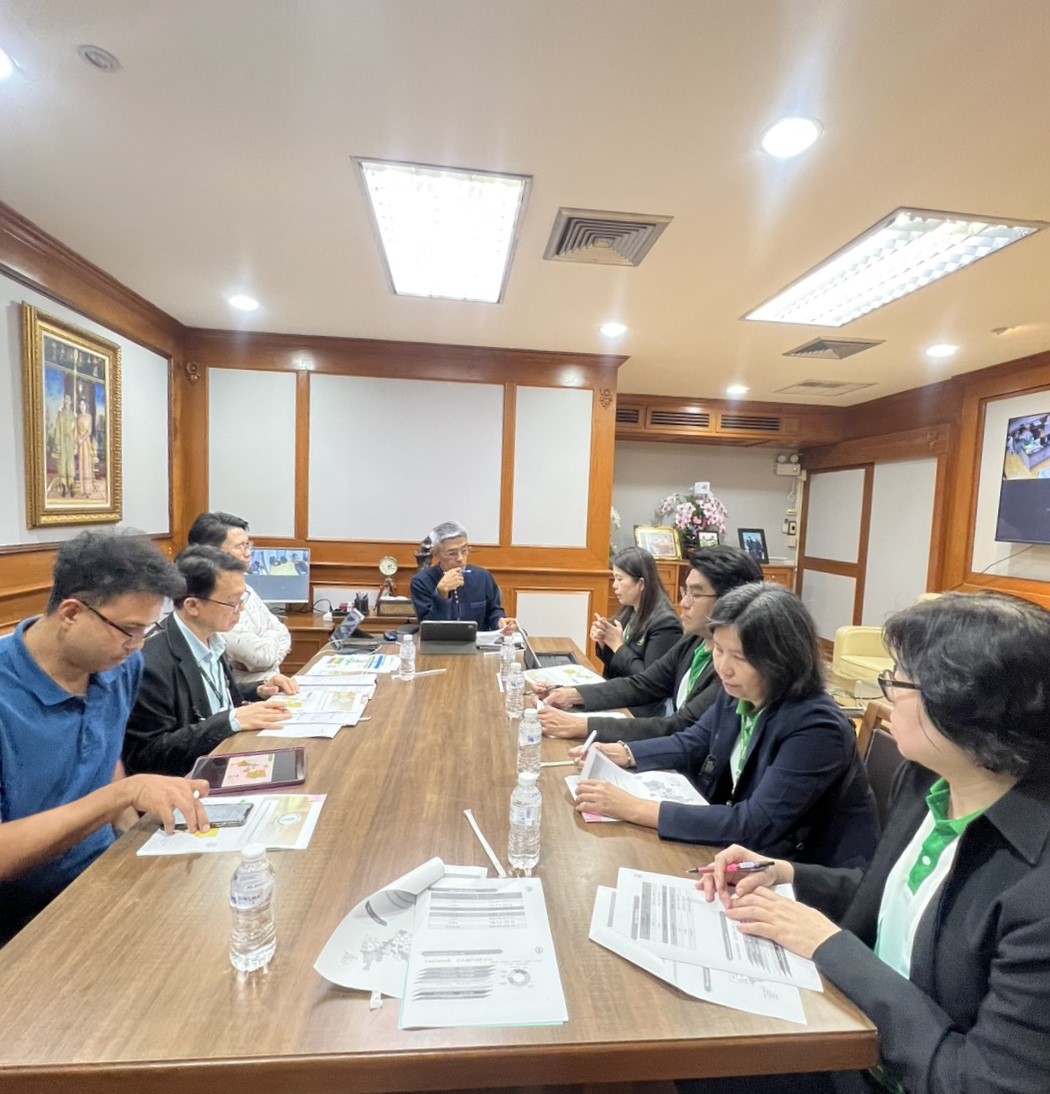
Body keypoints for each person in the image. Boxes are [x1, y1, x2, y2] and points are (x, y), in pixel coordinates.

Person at [697, 592, 1050, 1094]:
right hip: (848, 1029)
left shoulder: (1036, 881)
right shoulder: (927, 781)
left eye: (900, 680)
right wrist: (784, 873)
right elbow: (894, 900)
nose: (886, 696)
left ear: (967, 707)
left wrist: (830, 947)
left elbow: (979, 1082)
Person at [0, 533, 211, 948]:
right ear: (71, 613)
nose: (137, 647)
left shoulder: (118, 667)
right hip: (22, 920)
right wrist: (123, 795)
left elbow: (102, 753)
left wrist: (135, 837)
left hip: (103, 876)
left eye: (145, 631)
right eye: (128, 631)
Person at [573, 583, 878, 867]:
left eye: (739, 657)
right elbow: (692, 741)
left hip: (805, 873)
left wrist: (634, 808)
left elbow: (755, 823)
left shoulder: (816, 727)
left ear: (783, 658)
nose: (724, 667)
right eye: (719, 650)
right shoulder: (742, 690)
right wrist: (624, 752)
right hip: (747, 853)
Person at [537, 547, 762, 742]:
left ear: (731, 600)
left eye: (695, 594)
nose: (683, 603)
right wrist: (572, 694)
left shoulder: (735, 665)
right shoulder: (693, 641)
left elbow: (680, 725)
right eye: (685, 592)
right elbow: (644, 683)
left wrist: (584, 726)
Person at [123, 546, 296, 778]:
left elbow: (215, 698)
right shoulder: (151, 663)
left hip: (228, 756)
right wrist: (230, 721)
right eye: (232, 603)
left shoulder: (212, 638)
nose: (241, 609)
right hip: (191, 779)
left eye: (242, 599)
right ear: (192, 605)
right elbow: (147, 755)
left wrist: (259, 690)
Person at [187, 511, 292, 691]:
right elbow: (263, 657)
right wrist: (272, 639)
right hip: (243, 694)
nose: (248, 553)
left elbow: (282, 633)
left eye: (248, 545)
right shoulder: (210, 601)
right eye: (240, 547)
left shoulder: (246, 589)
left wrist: (270, 644)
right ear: (212, 553)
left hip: (268, 687)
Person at [590, 547, 682, 715]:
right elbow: (617, 665)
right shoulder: (630, 609)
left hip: (644, 709)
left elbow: (650, 680)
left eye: (619, 579)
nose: (614, 586)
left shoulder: (666, 623)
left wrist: (617, 645)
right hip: (622, 694)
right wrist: (604, 642)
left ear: (641, 583)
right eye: (614, 578)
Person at [410, 520, 516, 631]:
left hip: (478, 640)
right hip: (441, 641)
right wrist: (441, 594)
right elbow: (429, 629)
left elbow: (494, 611)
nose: (460, 558)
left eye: (464, 550)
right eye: (452, 553)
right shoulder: (421, 582)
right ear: (435, 553)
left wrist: (500, 622)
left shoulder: (483, 577)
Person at [53, 392, 76, 497]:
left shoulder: (73, 415)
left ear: (70, 402)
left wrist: (75, 446)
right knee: (62, 464)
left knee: (70, 464)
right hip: (62, 442)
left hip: (70, 442)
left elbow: (75, 431)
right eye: (65, 399)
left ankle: (71, 486)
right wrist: (57, 443)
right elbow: (58, 428)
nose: (66, 401)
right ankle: (64, 487)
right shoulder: (60, 414)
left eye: (68, 399)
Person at [75, 397, 96, 498]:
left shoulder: (89, 417)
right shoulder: (78, 417)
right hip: (80, 443)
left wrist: (82, 439)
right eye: (80, 405)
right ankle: (83, 490)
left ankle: (88, 490)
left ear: (86, 406)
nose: (82, 406)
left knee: (87, 465)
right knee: (81, 464)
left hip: (86, 442)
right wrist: (77, 440)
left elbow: (89, 431)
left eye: (83, 405)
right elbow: (76, 430)